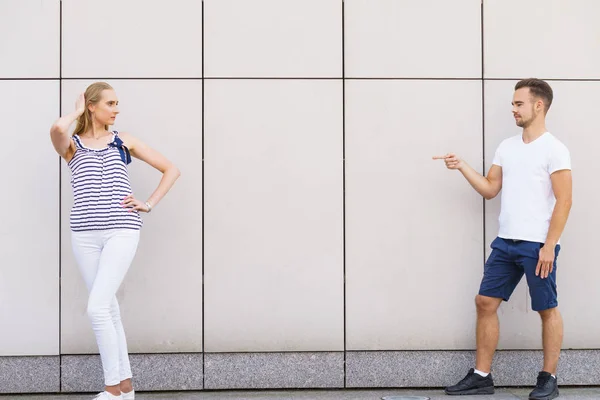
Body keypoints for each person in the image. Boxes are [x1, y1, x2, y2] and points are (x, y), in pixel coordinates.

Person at [433, 78, 572, 400]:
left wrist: (549, 245)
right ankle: (482, 376)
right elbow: (490, 189)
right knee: (485, 302)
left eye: (518, 103)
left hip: (538, 244)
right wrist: (462, 166)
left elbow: (564, 200)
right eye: (513, 103)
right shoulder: (507, 147)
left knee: (546, 308)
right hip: (506, 242)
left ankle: (548, 377)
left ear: (539, 105)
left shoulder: (555, 149)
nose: (513, 109)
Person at [50, 82, 180, 400]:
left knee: (97, 309)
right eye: (110, 103)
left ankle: (111, 390)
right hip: (84, 234)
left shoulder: (123, 141)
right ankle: (126, 388)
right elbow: (56, 128)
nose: (117, 108)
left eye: (118, 103)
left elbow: (171, 169)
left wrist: (148, 203)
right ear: (92, 106)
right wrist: (77, 112)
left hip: (122, 229)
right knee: (107, 309)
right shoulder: (73, 146)